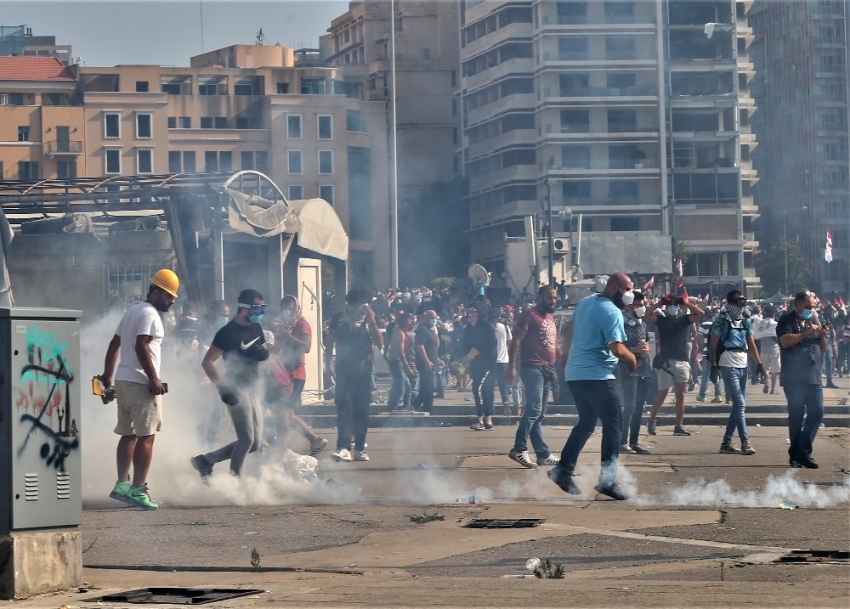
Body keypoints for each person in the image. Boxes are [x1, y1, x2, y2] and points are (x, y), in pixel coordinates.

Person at [548, 273, 637, 500]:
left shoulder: (586, 302)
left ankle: (563, 470)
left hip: (576, 374)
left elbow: (568, 330)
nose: (630, 294)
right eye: (627, 289)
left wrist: (566, 357)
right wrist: (632, 358)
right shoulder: (611, 312)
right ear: (614, 287)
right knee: (614, 425)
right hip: (598, 376)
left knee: (587, 422)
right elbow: (617, 348)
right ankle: (607, 481)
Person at [100, 269, 178, 510]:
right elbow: (141, 345)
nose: (172, 301)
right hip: (140, 383)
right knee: (147, 436)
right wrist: (153, 378)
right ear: (155, 292)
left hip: (124, 381)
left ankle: (122, 484)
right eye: (168, 296)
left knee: (129, 434)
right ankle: (138, 488)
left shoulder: (132, 311)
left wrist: (108, 375)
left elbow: (115, 343)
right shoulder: (150, 314)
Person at [191, 289, 270, 480]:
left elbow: (265, 350)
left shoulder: (256, 328)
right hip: (235, 388)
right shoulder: (226, 333)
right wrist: (222, 389)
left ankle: (207, 460)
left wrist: (263, 354)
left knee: (256, 443)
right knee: (247, 439)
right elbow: (207, 362)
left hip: (253, 388)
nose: (261, 312)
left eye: (262, 308)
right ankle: (235, 481)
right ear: (245, 309)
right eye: (258, 308)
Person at [326, 287, 383, 462]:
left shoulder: (369, 319)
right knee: (344, 408)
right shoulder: (339, 318)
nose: (362, 306)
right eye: (359, 303)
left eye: (365, 303)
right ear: (351, 302)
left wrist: (372, 321)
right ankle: (343, 447)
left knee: (362, 410)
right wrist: (327, 364)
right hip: (343, 368)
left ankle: (359, 448)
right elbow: (330, 342)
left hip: (364, 369)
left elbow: (380, 342)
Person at [507, 285, 561, 467]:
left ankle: (543, 454)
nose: (552, 301)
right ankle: (518, 449)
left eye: (554, 298)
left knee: (539, 415)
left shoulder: (550, 317)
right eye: (549, 298)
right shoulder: (529, 315)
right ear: (539, 298)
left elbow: (554, 344)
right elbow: (516, 341)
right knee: (533, 410)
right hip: (532, 369)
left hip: (548, 370)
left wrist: (564, 360)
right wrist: (511, 367)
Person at [776, 291, 829, 469]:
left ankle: (802, 452)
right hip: (794, 377)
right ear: (797, 304)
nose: (810, 310)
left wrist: (821, 334)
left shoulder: (814, 320)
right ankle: (797, 455)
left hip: (813, 376)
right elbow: (786, 341)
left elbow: (824, 348)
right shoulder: (787, 320)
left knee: (817, 412)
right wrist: (808, 332)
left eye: (813, 307)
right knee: (796, 418)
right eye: (807, 307)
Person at [270, 296, 328, 456]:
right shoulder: (281, 325)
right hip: (282, 373)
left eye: (290, 309)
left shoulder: (301, 324)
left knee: (283, 412)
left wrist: (288, 336)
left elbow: (307, 347)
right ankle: (315, 440)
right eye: (284, 309)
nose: (287, 312)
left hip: (295, 373)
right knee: (288, 413)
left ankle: (281, 448)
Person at [708, 290, 764, 455]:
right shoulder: (721, 320)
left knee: (738, 407)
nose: (742, 304)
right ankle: (745, 442)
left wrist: (759, 364)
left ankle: (726, 442)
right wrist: (713, 366)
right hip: (727, 363)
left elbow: (751, 344)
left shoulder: (745, 320)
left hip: (742, 363)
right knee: (740, 404)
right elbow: (712, 345)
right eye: (739, 301)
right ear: (731, 303)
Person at [645, 294, 705, 436]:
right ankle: (652, 420)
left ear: (679, 308)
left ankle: (679, 426)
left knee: (680, 395)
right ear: (667, 308)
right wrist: (660, 303)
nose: (673, 307)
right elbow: (648, 313)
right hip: (666, 362)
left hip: (682, 361)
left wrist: (685, 303)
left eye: (675, 305)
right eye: (670, 305)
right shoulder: (661, 320)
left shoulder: (684, 320)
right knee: (662, 393)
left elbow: (700, 313)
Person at [618, 291, 652, 455]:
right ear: (630, 305)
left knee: (640, 406)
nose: (642, 308)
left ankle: (634, 441)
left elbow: (646, 341)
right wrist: (633, 349)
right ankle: (622, 441)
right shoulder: (621, 322)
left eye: (643, 305)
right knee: (630, 406)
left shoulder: (641, 323)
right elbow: (616, 346)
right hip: (628, 368)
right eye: (639, 305)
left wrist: (646, 348)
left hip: (643, 367)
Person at [464, 303, 497, 430]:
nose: (471, 315)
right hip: (475, 363)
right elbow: (465, 345)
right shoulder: (468, 328)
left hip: (488, 362)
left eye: (474, 313)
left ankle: (481, 420)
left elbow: (490, 344)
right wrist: (465, 357)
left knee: (478, 388)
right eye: (469, 313)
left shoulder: (486, 325)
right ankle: (488, 420)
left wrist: (474, 352)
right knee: (484, 390)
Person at [386, 312, 416, 413]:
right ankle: (393, 409)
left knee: (408, 387)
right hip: (397, 362)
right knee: (401, 388)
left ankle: (407, 407)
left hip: (394, 362)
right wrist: (407, 368)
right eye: (410, 321)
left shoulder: (395, 329)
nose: (411, 323)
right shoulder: (400, 334)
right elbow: (401, 353)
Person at [413, 309, 440, 414]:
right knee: (428, 388)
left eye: (435, 318)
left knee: (427, 388)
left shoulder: (430, 330)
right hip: (425, 364)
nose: (434, 320)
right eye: (431, 317)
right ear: (425, 318)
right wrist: (427, 361)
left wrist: (437, 359)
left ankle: (420, 407)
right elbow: (420, 346)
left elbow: (432, 348)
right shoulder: (422, 329)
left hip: (432, 362)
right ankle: (424, 407)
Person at [696, 309, 724, 403]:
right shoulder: (717, 324)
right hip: (717, 353)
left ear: (704, 316)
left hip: (707, 352)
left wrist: (701, 346)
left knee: (705, 375)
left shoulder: (704, 324)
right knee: (717, 374)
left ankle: (702, 395)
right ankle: (718, 395)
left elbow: (699, 337)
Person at [754, 305, 781, 395]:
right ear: (773, 314)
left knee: (765, 368)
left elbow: (757, 334)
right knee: (775, 370)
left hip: (763, 349)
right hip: (774, 349)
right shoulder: (775, 324)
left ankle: (766, 381)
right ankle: (773, 389)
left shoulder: (761, 324)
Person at [493, 312, 512, 417]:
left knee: (489, 385)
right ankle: (506, 401)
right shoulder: (505, 327)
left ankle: (490, 408)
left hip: (491, 362)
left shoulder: (487, 329)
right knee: (503, 385)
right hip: (504, 360)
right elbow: (509, 343)